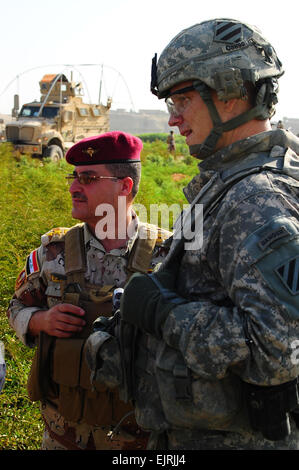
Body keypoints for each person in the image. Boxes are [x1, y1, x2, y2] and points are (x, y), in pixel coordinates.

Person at [85, 19, 299, 450]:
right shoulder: (230, 184)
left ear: (234, 91)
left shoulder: (255, 199)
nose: (173, 119)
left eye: (183, 98)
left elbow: (279, 349)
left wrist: (166, 315)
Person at [7, 131, 172, 450]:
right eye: (74, 177)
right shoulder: (53, 251)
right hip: (62, 437)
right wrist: (41, 321)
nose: (72, 187)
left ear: (124, 186)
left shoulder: (170, 256)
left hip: (141, 442)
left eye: (88, 178)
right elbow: (16, 308)